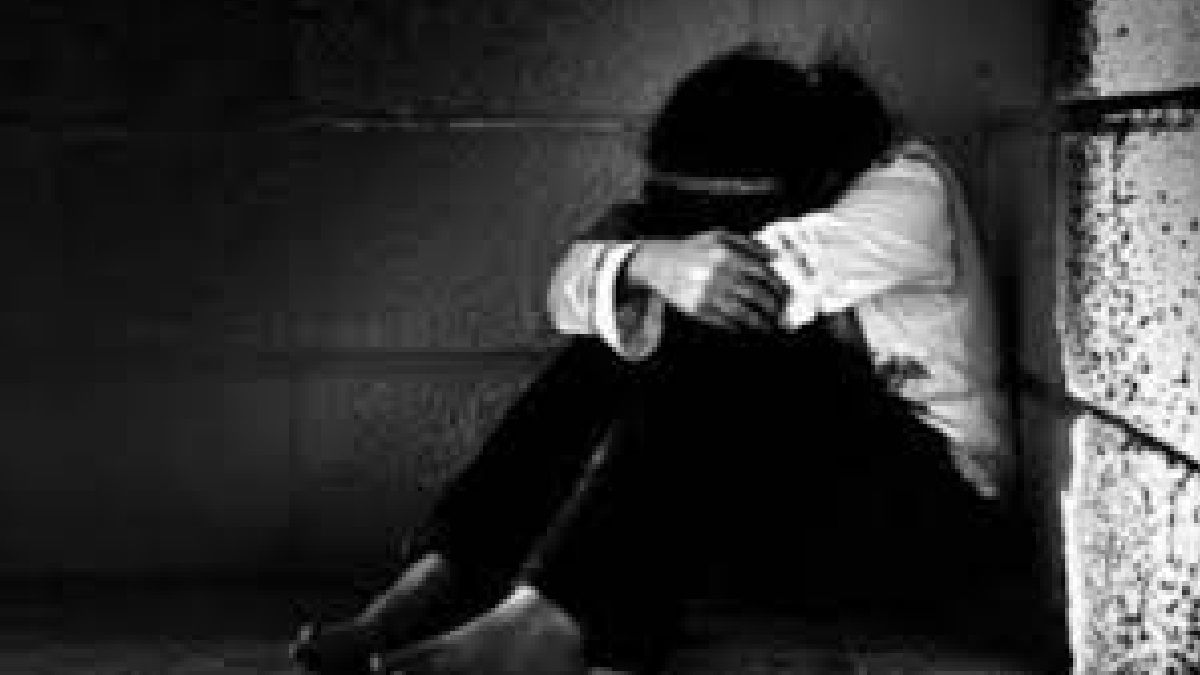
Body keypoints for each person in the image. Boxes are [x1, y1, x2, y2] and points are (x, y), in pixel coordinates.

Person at [289, 43, 1015, 675]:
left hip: (930, 531)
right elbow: (569, 294)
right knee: (619, 335)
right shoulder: (793, 177)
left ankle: (553, 624)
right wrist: (645, 261)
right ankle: (441, 580)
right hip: (792, 526)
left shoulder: (904, 192)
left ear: (795, 189)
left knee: (714, 326)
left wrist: (639, 261)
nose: (695, 235)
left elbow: (716, 279)